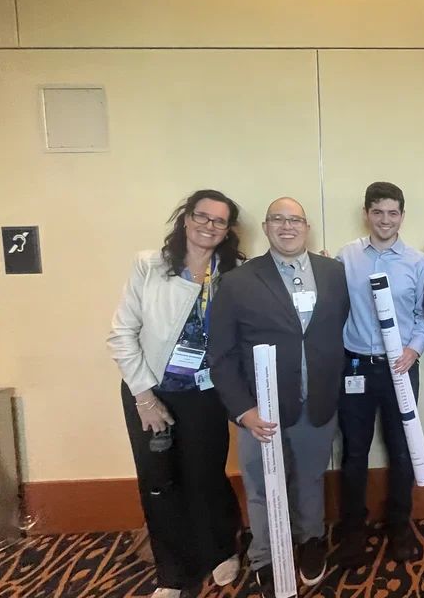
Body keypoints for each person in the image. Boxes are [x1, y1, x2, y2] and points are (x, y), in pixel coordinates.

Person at [208, 197, 349, 598]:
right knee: (259, 483)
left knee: (310, 477)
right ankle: (266, 556)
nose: (287, 227)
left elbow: (339, 329)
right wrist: (243, 410)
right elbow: (221, 356)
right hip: (259, 409)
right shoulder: (237, 281)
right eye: (278, 220)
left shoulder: (333, 273)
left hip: (318, 400)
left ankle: (311, 541)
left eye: (295, 220)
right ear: (266, 227)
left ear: (307, 228)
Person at [107, 189, 243, 598]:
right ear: (186, 218)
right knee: (158, 483)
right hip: (151, 394)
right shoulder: (150, 265)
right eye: (202, 216)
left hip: (205, 395)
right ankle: (172, 571)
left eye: (219, 221)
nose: (209, 226)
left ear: (227, 230)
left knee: (206, 476)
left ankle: (219, 549)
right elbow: (121, 334)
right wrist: (145, 398)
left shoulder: (234, 272)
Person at [334, 181, 424, 566]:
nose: (385, 220)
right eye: (378, 212)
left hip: (402, 368)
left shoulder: (417, 262)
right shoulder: (346, 257)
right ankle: (353, 530)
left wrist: (414, 349)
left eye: (393, 213)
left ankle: (399, 525)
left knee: (402, 449)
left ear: (402, 216)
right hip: (355, 366)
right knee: (354, 451)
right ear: (366, 214)